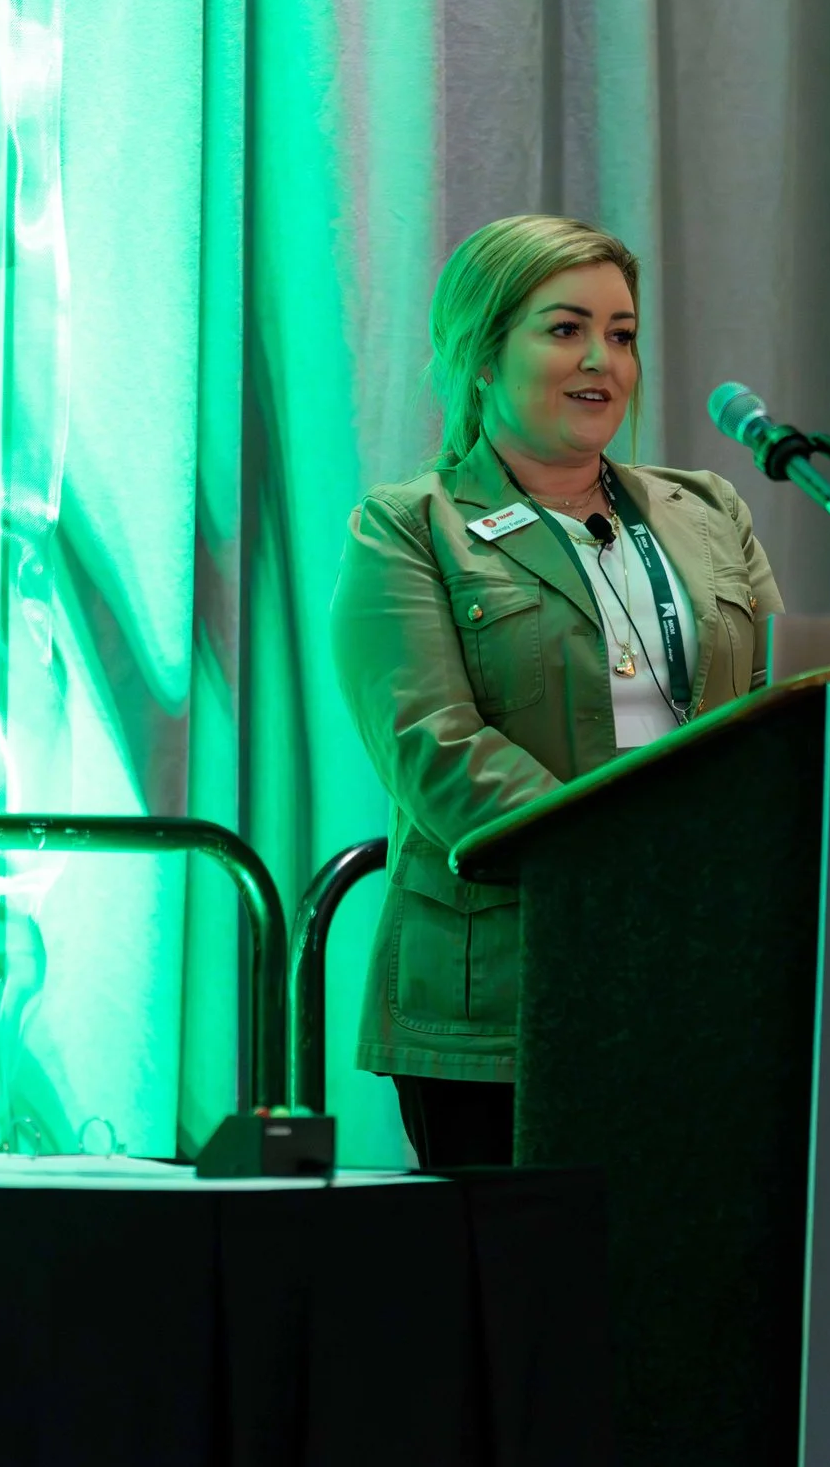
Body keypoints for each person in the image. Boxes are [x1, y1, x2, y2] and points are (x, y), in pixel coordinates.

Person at [330, 214, 783, 1167]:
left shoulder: (707, 511)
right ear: (483, 354)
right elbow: (435, 749)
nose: (603, 360)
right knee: (523, 1302)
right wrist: (629, 861)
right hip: (506, 996)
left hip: (703, 980)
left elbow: (775, 714)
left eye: (622, 334)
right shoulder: (410, 527)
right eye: (565, 328)